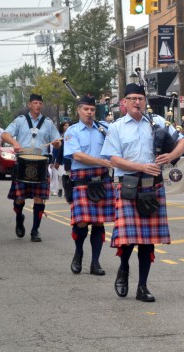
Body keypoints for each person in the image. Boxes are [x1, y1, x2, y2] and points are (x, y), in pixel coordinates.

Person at [101, 83, 184, 302]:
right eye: (132, 98)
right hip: (128, 185)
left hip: (153, 185)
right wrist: (140, 167)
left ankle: (142, 287)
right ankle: (123, 268)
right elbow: (113, 159)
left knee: (147, 241)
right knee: (128, 239)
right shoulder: (117, 127)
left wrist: (170, 157)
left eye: (140, 98)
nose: (137, 102)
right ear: (125, 102)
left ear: (145, 101)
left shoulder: (157, 122)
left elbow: (183, 142)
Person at [63, 94, 115, 276]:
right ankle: (78, 253)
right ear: (78, 110)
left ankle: (95, 262)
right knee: (82, 221)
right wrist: (101, 162)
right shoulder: (72, 132)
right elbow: (76, 156)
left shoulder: (104, 128)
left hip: (101, 179)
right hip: (82, 180)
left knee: (98, 222)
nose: (89, 112)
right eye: (86, 109)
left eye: (92, 109)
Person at [1, 93, 63, 242]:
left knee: (39, 198)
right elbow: (5, 135)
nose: (38, 105)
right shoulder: (20, 121)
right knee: (19, 198)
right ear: (29, 105)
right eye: (35, 103)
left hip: (40, 163)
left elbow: (57, 141)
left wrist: (56, 144)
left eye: (40, 103)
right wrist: (15, 143)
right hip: (23, 162)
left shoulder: (48, 123)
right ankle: (18, 218)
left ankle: (35, 230)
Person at [50, 121, 70, 197]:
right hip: (59, 158)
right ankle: (57, 189)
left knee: (65, 175)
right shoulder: (58, 136)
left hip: (68, 159)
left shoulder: (71, 135)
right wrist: (54, 160)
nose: (67, 127)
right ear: (62, 127)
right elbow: (55, 149)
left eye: (68, 125)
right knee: (58, 175)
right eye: (65, 125)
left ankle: (64, 190)